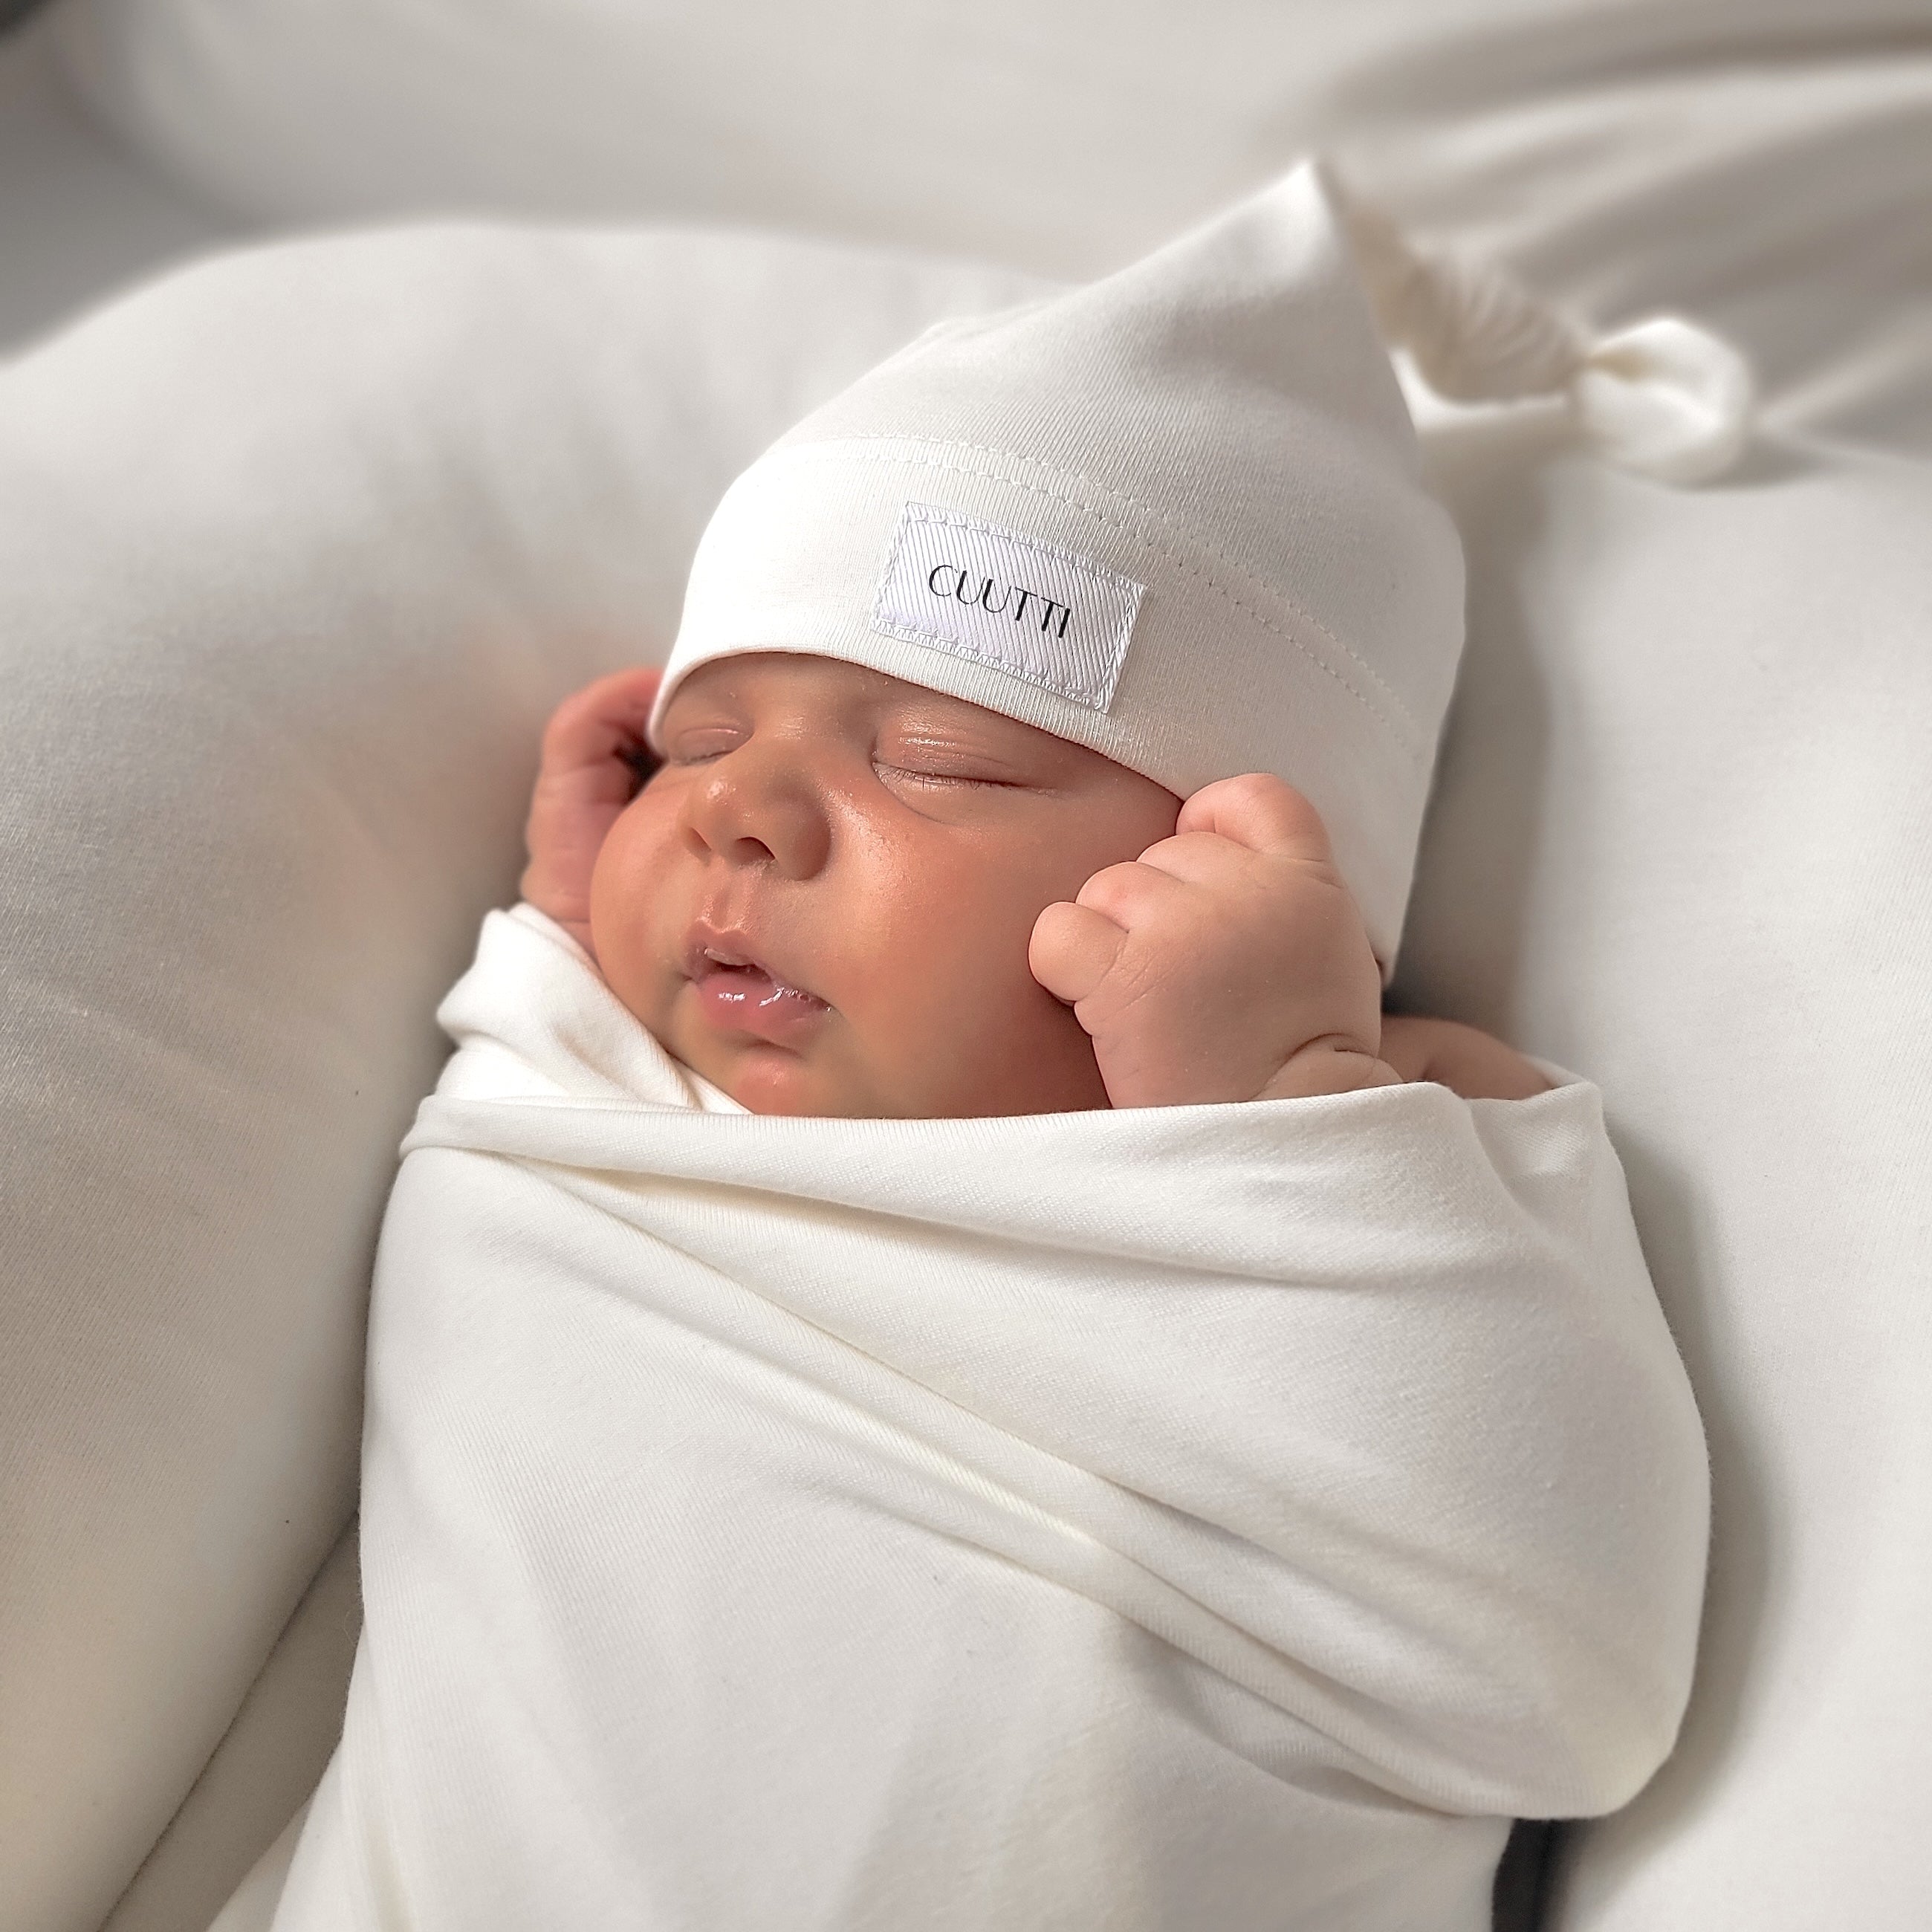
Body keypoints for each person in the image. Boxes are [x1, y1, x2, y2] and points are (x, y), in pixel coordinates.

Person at [268, 162, 1714, 1931]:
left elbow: (1564, 1669)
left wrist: (1280, 1108)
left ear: (1245, 882)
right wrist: (565, 949)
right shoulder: (616, 1116)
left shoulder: (1400, 1166)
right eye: (697, 744)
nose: (735, 814)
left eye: (935, 762)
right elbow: (494, 1248)